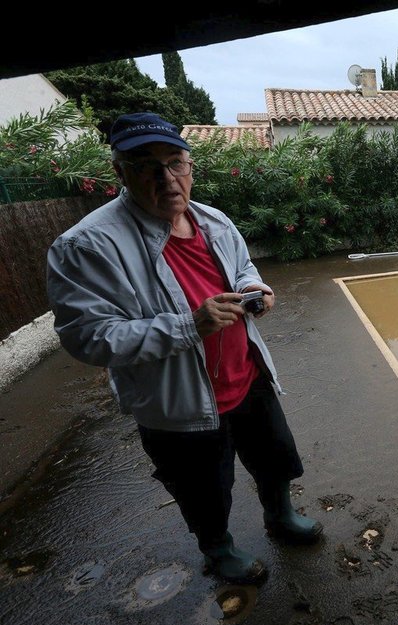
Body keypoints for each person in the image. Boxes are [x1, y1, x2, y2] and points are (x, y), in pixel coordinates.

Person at [46, 112, 322, 585]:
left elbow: (243, 267)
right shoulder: (86, 246)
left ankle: (280, 516)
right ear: (120, 172)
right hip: (179, 402)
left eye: (175, 163)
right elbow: (86, 338)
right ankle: (219, 551)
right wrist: (189, 325)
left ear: (191, 167)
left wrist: (255, 287)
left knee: (275, 457)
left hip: (247, 377)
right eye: (146, 165)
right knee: (203, 490)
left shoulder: (214, 220)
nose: (166, 178)